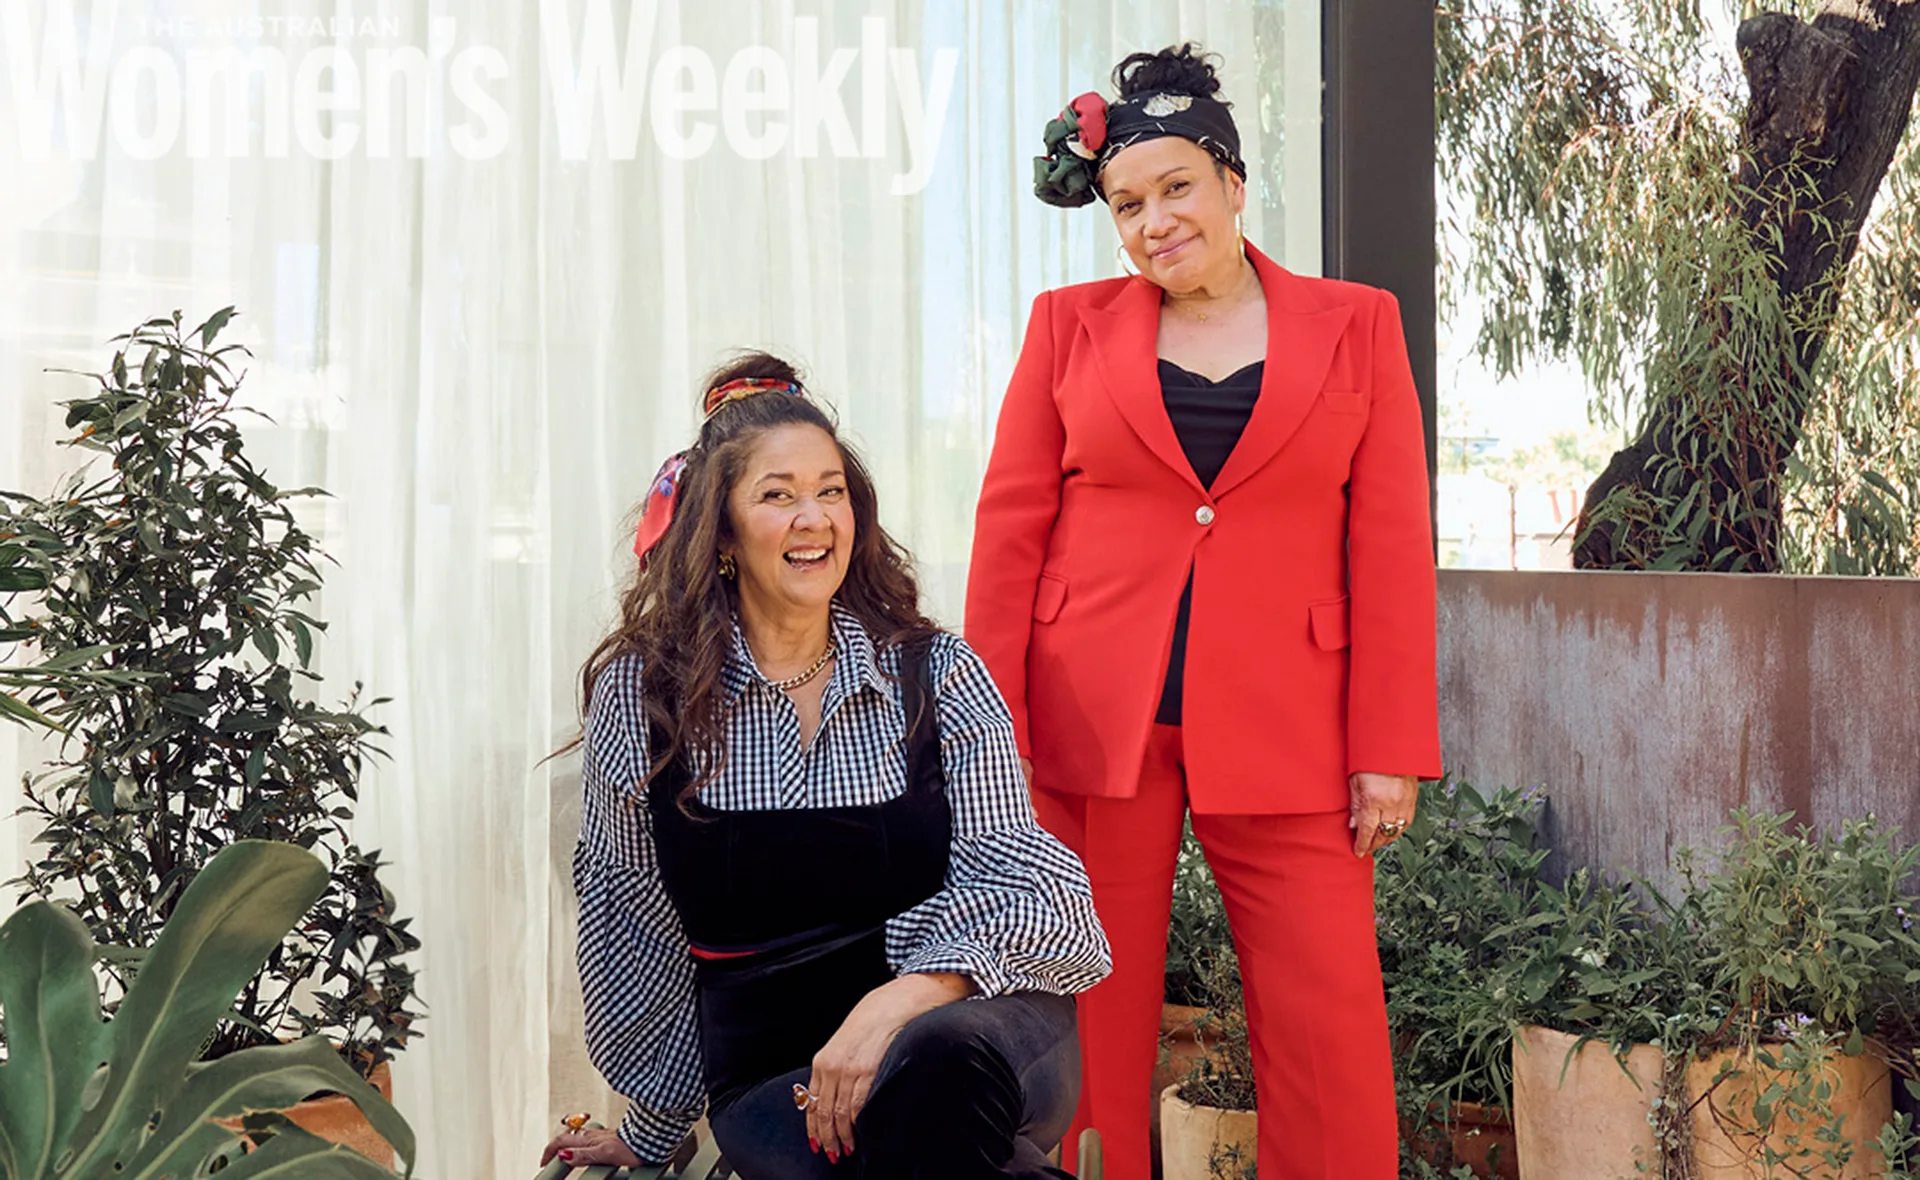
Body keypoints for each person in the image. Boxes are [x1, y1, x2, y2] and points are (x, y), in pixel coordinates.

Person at [965, 44, 1442, 1180]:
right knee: (1085, 1011)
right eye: (1127, 204)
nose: (1152, 220)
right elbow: (1008, 540)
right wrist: (997, 742)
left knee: (1325, 1021)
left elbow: (1388, 545)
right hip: (1091, 726)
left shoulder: (1356, 324)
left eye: (1176, 187)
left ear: (1232, 183)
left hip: (1294, 729)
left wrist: (1388, 748)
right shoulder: (1064, 328)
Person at [542, 353, 1112, 1180]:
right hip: (777, 1065)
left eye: (832, 490)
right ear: (724, 531)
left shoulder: (937, 674)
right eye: (778, 495)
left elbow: (1029, 885)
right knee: (930, 1146)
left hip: (970, 1022)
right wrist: (656, 1123)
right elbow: (632, 916)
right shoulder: (648, 695)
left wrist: (902, 1000)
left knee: (936, 1069)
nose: (815, 518)